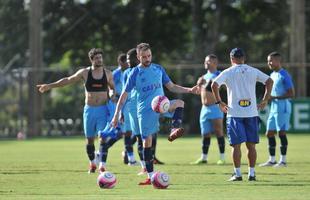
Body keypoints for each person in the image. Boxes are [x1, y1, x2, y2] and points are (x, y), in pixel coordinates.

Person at [111, 43, 197, 185]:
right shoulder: (134, 73)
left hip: (162, 104)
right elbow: (123, 95)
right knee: (146, 142)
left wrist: (190, 90)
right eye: (144, 57)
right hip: (145, 111)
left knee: (179, 104)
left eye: (149, 56)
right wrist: (116, 115)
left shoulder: (158, 69)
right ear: (138, 57)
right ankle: (150, 175)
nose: (147, 59)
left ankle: (174, 128)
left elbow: (171, 86)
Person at [37, 48, 115, 173]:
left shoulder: (108, 74)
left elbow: (112, 89)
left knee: (103, 137)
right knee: (89, 140)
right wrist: (49, 86)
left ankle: (102, 165)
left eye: (101, 57)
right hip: (89, 110)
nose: (99, 60)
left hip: (102, 110)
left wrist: (112, 95)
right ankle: (92, 164)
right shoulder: (84, 73)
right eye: (97, 58)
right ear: (91, 59)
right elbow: (67, 80)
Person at [211, 48, 273, 181]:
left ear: (231, 58)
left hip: (234, 113)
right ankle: (251, 174)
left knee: (236, 145)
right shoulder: (252, 70)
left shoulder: (228, 72)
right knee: (251, 145)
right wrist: (265, 99)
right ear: (244, 58)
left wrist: (219, 102)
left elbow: (214, 85)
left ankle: (238, 174)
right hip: (251, 112)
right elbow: (269, 81)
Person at [259, 52, 294, 167]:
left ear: (278, 61)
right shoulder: (272, 74)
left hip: (283, 106)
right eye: (268, 61)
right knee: (269, 133)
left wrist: (274, 97)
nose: (269, 63)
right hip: (274, 107)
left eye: (271, 60)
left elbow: (291, 93)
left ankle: (283, 161)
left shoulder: (284, 75)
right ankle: (272, 160)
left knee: (281, 133)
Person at [191, 54, 225, 165]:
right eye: (205, 61)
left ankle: (222, 157)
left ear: (215, 63)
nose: (206, 63)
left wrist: (206, 84)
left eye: (208, 61)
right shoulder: (204, 77)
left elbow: (222, 87)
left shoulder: (219, 75)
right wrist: (198, 85)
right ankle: (204, 157)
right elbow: (199, 92)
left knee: (219, 131)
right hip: (204, 109)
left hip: (215, 107)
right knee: (205, 134)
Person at [113, 53, 137, 165]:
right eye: (126, 60)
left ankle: (128, 153)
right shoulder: (118, 74)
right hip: (124, 105)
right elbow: (113, 88)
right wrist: (121, 110)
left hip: (136, 105)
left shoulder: (137, 71)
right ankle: (131, 158)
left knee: (138, 134)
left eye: (128, 59)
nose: (127, 62)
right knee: (125, 133)